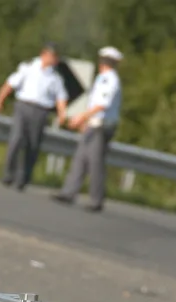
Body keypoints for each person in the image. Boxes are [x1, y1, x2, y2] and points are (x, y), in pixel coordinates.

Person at [50, 46, 124, 213]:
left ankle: (96, 200)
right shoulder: (102, 78)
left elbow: (101, 105)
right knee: (81, 158)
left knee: (94, 162)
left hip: (101, 126)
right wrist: (85, 121)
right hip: (94, 124)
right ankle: (69, 192)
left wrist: (81, 117)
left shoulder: (109, 80)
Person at [0, 43, 69, 191]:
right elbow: (10, 83)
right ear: (44, 55)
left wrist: (62, 114)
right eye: (53, 56)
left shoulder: (55, 77)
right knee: (16, 139)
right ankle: (8, 173)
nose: (54, 60)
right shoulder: (28, 67)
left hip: (41, 110)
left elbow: (61, 97)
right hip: (23, 106)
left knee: (33, 144)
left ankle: (23, 177)